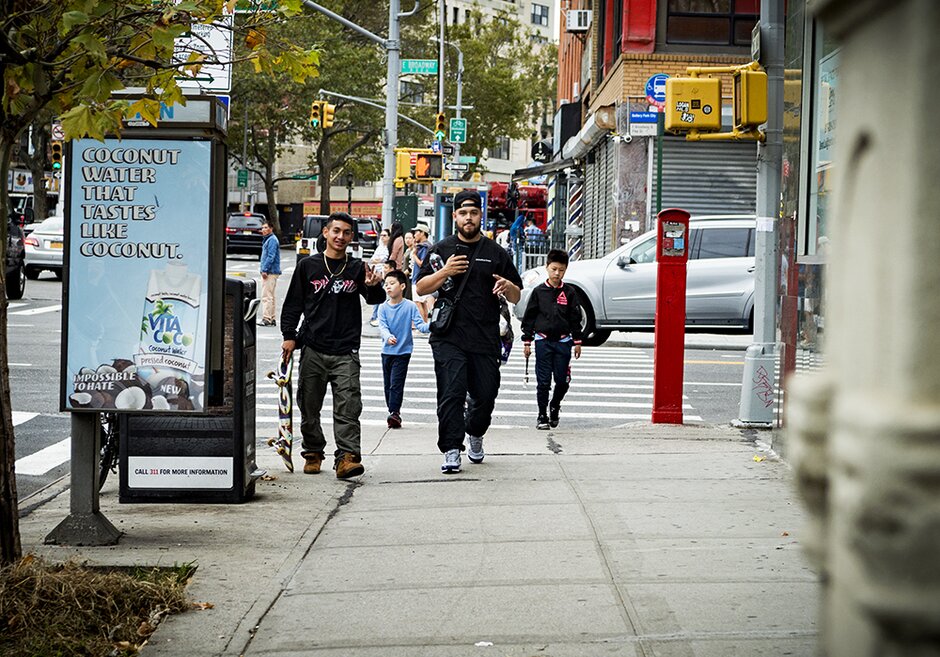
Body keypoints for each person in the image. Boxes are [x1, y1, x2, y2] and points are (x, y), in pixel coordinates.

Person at [416, 189, 522, 474]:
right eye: (463, 213)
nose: (468, 218)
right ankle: (451, 448)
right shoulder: (441, 250)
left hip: (485, 337)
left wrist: (507, 287)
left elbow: (516, 295)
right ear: (455, 216)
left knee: (485, 394)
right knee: (451, 392)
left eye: (474, 213)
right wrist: (445, 272)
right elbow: (421, 288)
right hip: (448, 335)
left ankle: (475, 432)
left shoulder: (495, 252)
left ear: (480, 216)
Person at [280, 212, 386, 479]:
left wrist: (374, 286)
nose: (340, 237)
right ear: (325, 232)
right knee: (309, 406)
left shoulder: (357, 267)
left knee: (348, 407)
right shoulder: (308, 266)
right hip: (313, 347)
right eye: (336, 231)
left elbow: (375, 299)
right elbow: (293, 303)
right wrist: (289, 336)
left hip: (346, 350)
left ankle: (347, 458)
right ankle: (313, 451)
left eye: (346, 232)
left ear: (352, 237)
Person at [520, 249, 583, 430]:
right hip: (543, 342)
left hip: (563, 343)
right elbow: (529, 318)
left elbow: (575, 318)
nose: (557, 273)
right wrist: (527, 341)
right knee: (543, 382)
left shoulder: (569, 293)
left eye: (561, 270)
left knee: (562, 381)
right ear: (547, 267)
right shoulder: (539, 292)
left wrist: (577, 341)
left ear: (565, 270)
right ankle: (542, 415)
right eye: (554, 269)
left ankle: (555, 404)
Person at [378, 270, 430, 429]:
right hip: (386, 352)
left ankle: (395, 413)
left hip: (403, 353)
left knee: (396, 383)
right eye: (386, 284)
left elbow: (421, 326)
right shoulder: (382, 307)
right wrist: (388, 337)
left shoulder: (410, 306)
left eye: (392, 283)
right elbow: (382, 327)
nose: (388, 287)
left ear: (402, 286)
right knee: (388, 385)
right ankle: (392, 411)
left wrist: (435, 324)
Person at [259, 220, 281, 327]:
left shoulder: (271, 240)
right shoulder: (270, 239)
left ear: (271, 229)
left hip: (270, 271)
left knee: (266, 296)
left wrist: (265, 269)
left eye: (266, 227)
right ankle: (272, 318)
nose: (263, 230)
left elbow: (270, 256)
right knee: (271, 295)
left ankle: (266, 318)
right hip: (272, 271)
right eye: (262, 228)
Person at [368, 228, 391, 326]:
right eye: (381, 235)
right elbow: (372, 259)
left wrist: (377, 260)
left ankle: (378, 316)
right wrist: (377, 261)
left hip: (383, 274)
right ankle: (374, 316)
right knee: (375, 295)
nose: (382, 237)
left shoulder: (388, 248)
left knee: (382, 296)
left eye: (385, 235)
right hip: (376, 273)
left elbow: (384, 259)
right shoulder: (379, 247)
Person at [410, 223, 432, 322]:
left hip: (418, 278)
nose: (414, 235)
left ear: (422, 233)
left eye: (416, 232)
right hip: (424, 278)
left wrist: (414, 255)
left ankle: (422, 325)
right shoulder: (428, 246)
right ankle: (425, 325)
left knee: (418, 303)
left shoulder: (423, 247)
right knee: (423, 303)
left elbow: (422, 264)